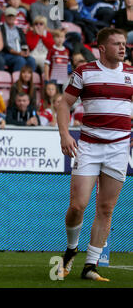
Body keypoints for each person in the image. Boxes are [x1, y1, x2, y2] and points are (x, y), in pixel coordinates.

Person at [56, 28, 133, 282]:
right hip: (88, 146)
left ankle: (91, 265)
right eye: (117, 44)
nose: (123, 48)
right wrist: (65, 135)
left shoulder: (131, 74)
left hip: (119, 149)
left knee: (106, 209)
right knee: (78, 206)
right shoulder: (84, 72)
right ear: (101, 47)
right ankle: (71, 248)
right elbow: (64, 103)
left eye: (124, 44)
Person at [0, 6, 36, 73]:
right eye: (9, 16)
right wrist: (18, 53)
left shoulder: (19, 29)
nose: (11, 17)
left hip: (19, 53)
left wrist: (26, 51)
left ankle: (31, 82)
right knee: (20, 60)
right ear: (5, 17)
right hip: (6, 54)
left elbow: (24, 43)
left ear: (15, 17)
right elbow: (4, 45)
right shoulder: (0, 28)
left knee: (31, 60)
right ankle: (17, 82)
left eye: (12, 16)